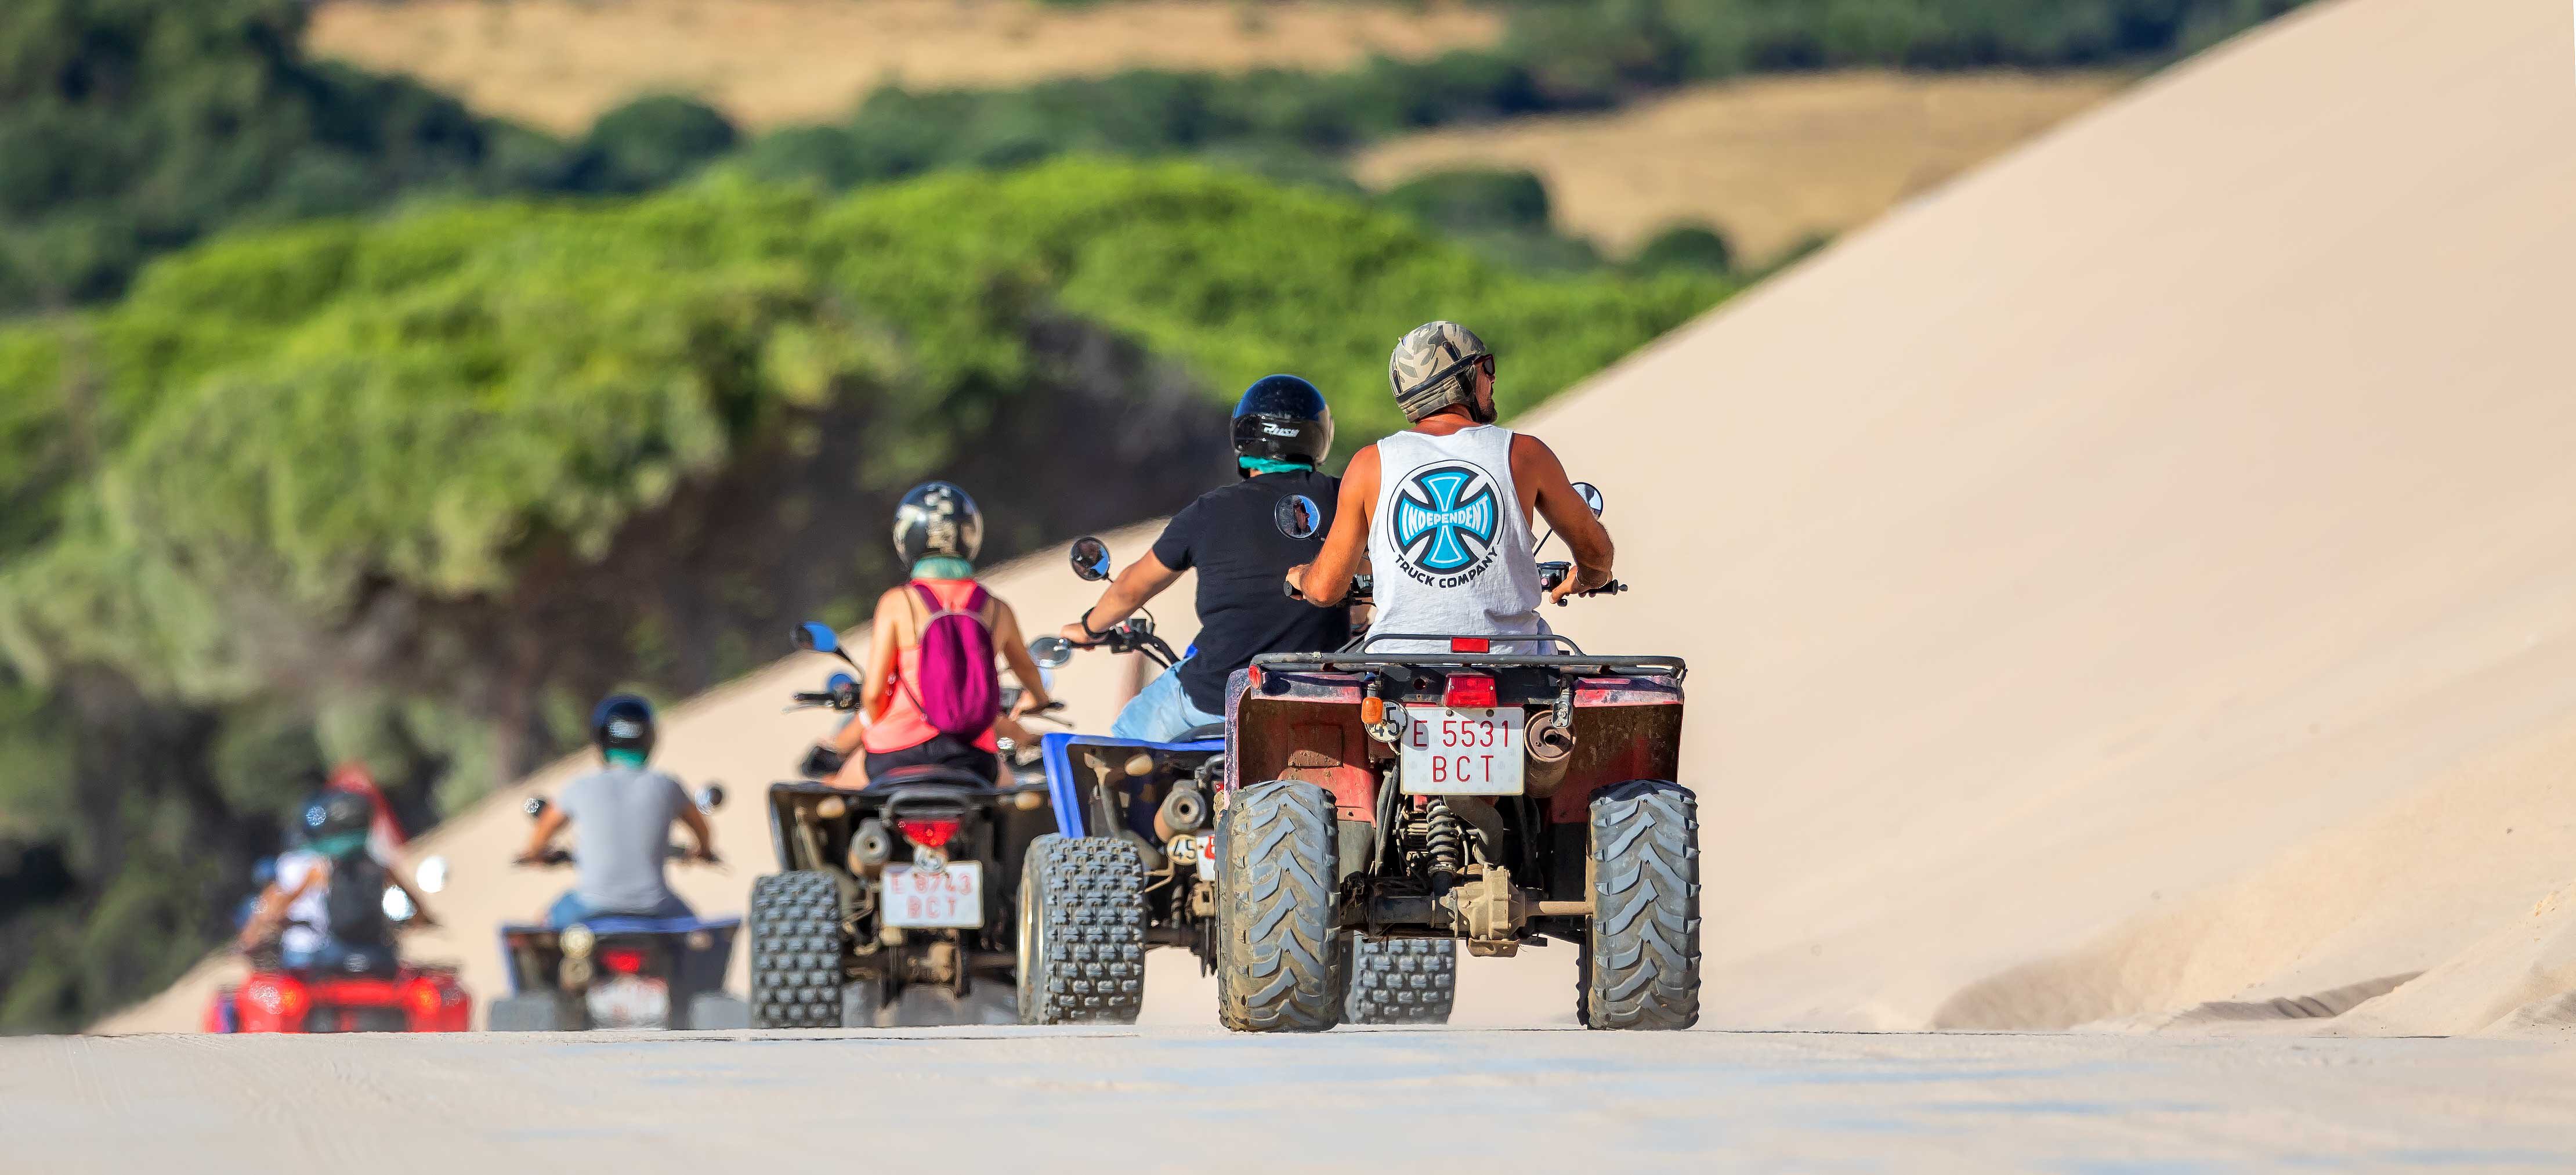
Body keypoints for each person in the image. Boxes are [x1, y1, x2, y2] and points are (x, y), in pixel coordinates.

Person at [1289, 322, 1613, 650]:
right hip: (1514, 663)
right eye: (1486, 367)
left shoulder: (1369, 464)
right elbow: (1597, 557)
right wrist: (1586, 578)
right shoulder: (1525, 454)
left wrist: (1302, 576)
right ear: (1464, 379)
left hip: (1400, 667)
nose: (1492, 378)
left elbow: (1325, 589)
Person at [1065, 375, 1352, 742]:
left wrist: (1089, 627)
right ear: (1318, 435)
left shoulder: (1208, 511)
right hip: (1324, 695)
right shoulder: (1344, 498)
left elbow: (1131, 590)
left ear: (1244, 437)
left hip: (1219, 697)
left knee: (1126, 735)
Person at [810, 482, 1055, 786]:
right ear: (971, 536)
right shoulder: (995, 609)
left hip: (895, 753)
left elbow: (874, 696)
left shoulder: (899, 603)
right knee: (1014, 803)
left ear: (906, 538)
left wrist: (856, 732)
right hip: (972, 757)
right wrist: (1040, 699)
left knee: (831, 795)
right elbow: (1027, 670)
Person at [522, 693, 715, 927]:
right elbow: (702, 830)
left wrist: (534, 854)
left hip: (589, 906)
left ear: (601, 740)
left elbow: (545, 828)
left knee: (540, 926)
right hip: (656, 907)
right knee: (696, 932)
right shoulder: (667, 785)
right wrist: (702, 851)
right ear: (650, 738)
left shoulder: (580, 786)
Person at [238, 788, 437, 972]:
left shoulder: (317, 868)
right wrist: (424, 920)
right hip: (373, 951)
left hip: (329, 953)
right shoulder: (375, 865)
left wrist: (259, 930)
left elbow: (275, 906)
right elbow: (413, 902)